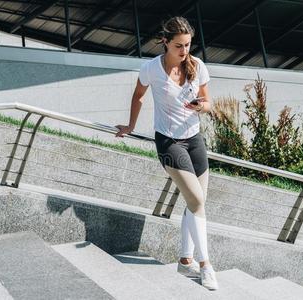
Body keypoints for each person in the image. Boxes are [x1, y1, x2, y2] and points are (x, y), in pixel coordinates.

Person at [115, 16, 218, 291]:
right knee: (196, 199)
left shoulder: (198, 66)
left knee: (197, 202)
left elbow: (209, 103)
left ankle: (185, 260)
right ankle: (205, 265)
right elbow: (138, 95)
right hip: (169, 142)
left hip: (194, 140)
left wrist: (201, 106)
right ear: (165, 43)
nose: (184, 51)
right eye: (179, 46)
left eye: (187, 45)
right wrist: (130, 126)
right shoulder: (151, 69)